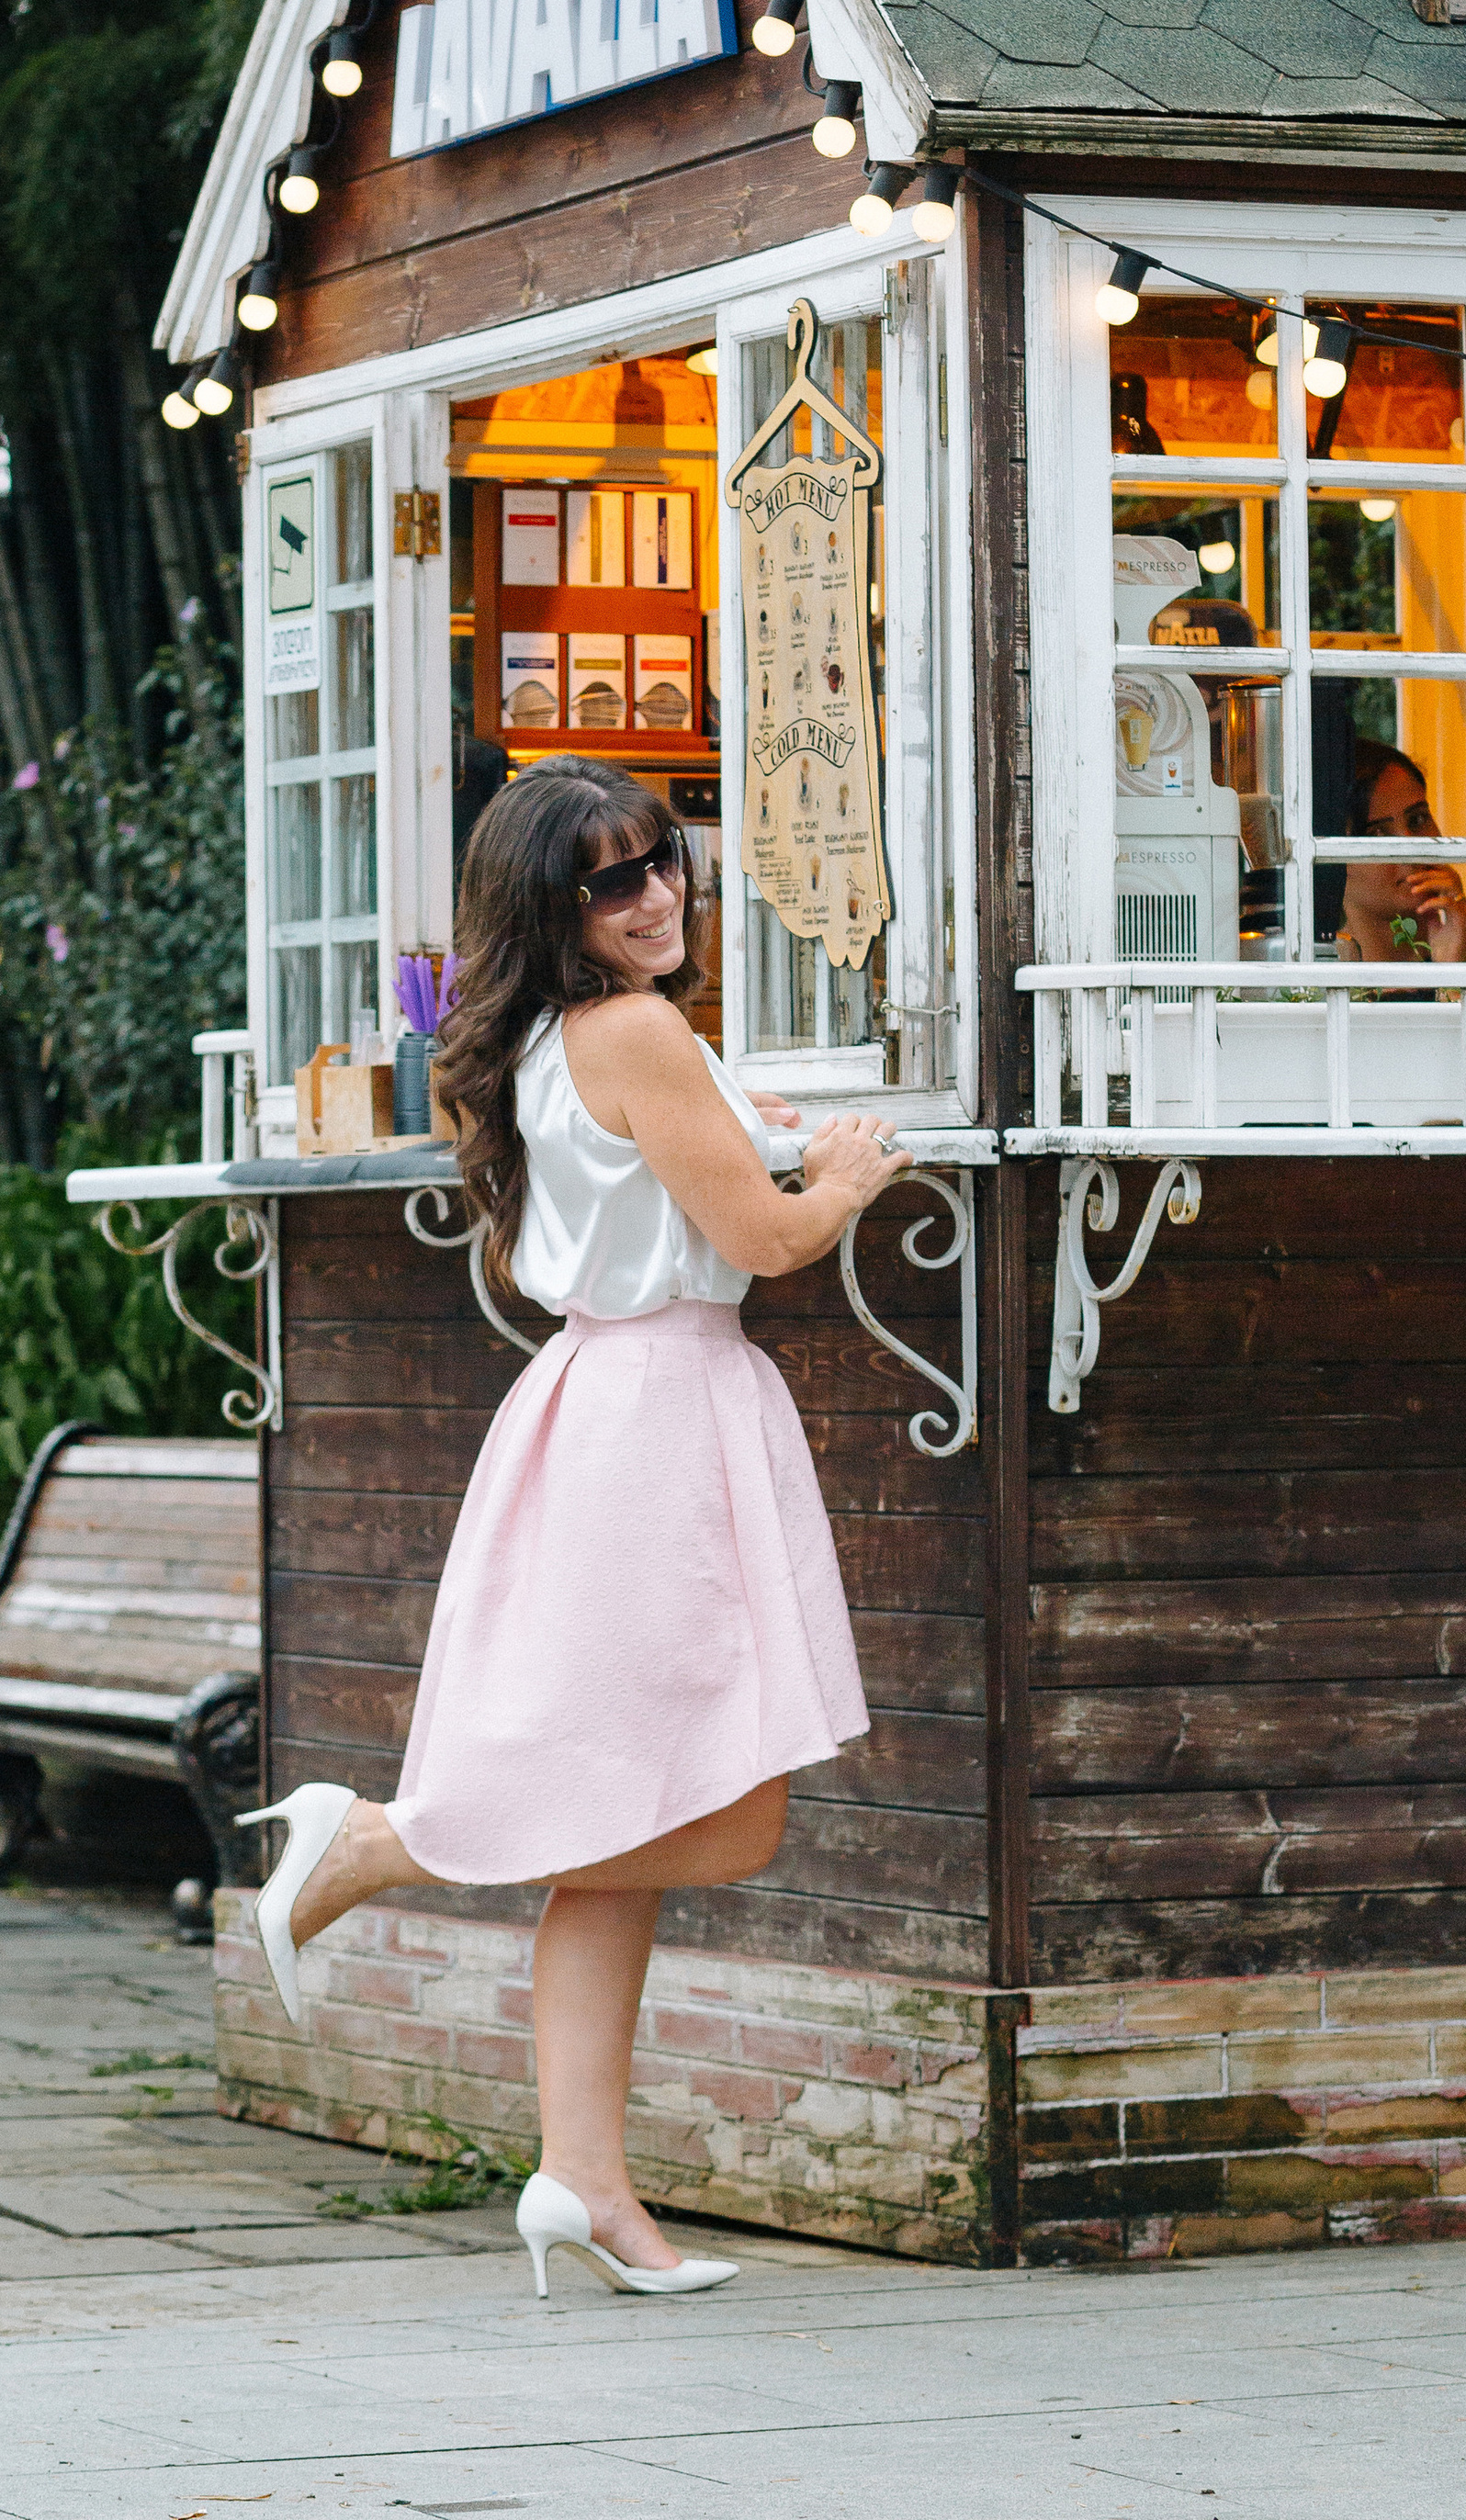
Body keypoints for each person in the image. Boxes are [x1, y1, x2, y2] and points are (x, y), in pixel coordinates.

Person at [238, 756, 909, 2301]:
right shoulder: (638, 1031)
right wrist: (850, 1179)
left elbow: (674, 1182)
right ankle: (379, 1842)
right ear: (556, 910)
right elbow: (763, 1239)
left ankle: (583, 2182)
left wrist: (766, 1137)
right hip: (658, 1416)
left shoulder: (554, 1040)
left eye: (663, 859)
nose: (657, 894)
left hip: (619, 1404)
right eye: (614, 881)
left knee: (627, 1832)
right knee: (711, 1807)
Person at [1334, 742, 1466, 964]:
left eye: (1418, 819)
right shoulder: (1317, 988)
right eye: (1377, 834)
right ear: (1334, 859)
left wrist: (1456, 970)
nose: (1410, 846)